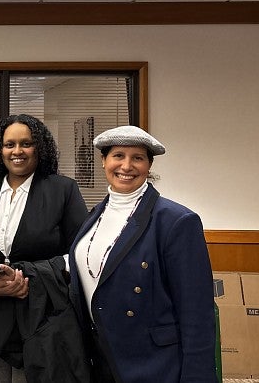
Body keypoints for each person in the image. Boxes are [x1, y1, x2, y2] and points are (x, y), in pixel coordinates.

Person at [69, 125, 215, 383]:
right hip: (101, 359)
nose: (126, 166)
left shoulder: (176, 221)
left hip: (154, 365)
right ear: (104, 161)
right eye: (118, 156)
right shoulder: (94, 216)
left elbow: (197, 312)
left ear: (149, 166)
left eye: (137, 158)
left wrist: (198, 376)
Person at [0, 114, 90, 383]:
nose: (17, 151)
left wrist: (27, 277)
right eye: (9, 144)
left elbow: (80, 252)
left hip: (44, 316)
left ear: (39, 147)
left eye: (26, 143)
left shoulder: (62, 189)